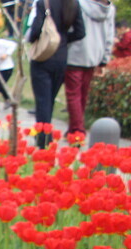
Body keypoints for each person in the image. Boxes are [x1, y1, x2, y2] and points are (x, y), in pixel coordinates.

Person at [25, 0, 83, 147]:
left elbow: (36, 28)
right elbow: (81, 32)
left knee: (42, 100)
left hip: (44, 56)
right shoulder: (73, 3)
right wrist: (62, 39)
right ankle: (46, 133)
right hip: (61, 56)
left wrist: (33, 39)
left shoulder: (44, 2)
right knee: (50, 99)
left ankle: (44, 137)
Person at [64, 0, 114, 143]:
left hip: (75, 53)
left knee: (73, 95)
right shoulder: (109, 9)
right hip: (95, 56)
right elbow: (109, 36)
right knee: (82, 95)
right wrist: (104, 58)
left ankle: (78, 130)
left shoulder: (77, 4)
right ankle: (73, 127)